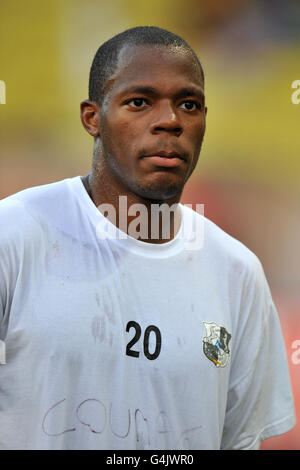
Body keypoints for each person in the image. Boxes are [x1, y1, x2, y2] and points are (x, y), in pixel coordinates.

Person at [0, 26, 295, 450]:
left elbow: (239, 440)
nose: (169, 121)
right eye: (139, 102)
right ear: (92, 117)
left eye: (188, 104)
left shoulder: (238, 273)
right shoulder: (14, 237)